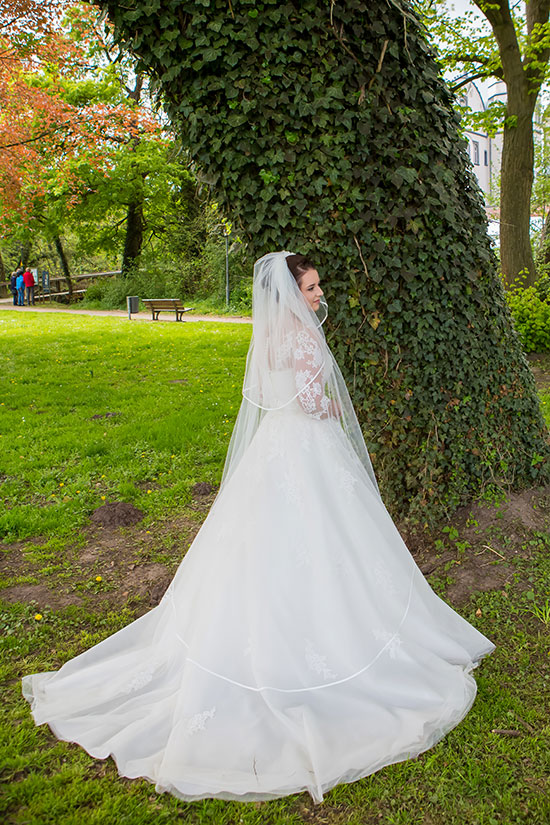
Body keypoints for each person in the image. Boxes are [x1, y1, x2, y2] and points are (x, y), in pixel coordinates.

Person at [22, 251, 494, 803]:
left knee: (259, 548)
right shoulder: (302, 339)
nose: (319, 295)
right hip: (308, 450)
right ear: (293, 293)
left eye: (318, 287)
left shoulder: (267, 337)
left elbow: (272, 397)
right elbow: (316, 404)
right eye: (312, 288)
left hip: (273, 450)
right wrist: (334, 411)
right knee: (326, 543)